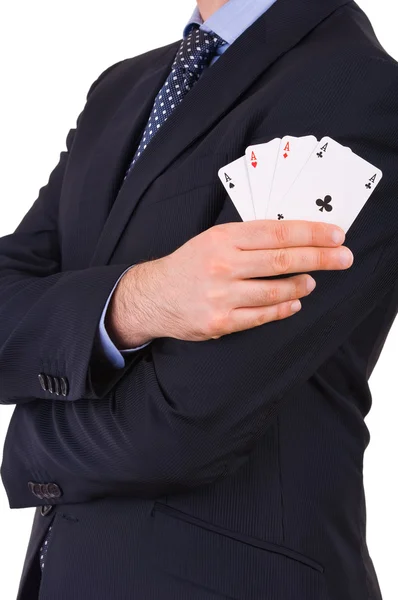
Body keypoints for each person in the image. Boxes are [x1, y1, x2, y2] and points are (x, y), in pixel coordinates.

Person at [1, 0, 398, 598]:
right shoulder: (122, 87)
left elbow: (184, 424)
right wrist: (134, 301)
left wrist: (23, 442)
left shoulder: (354, 87)